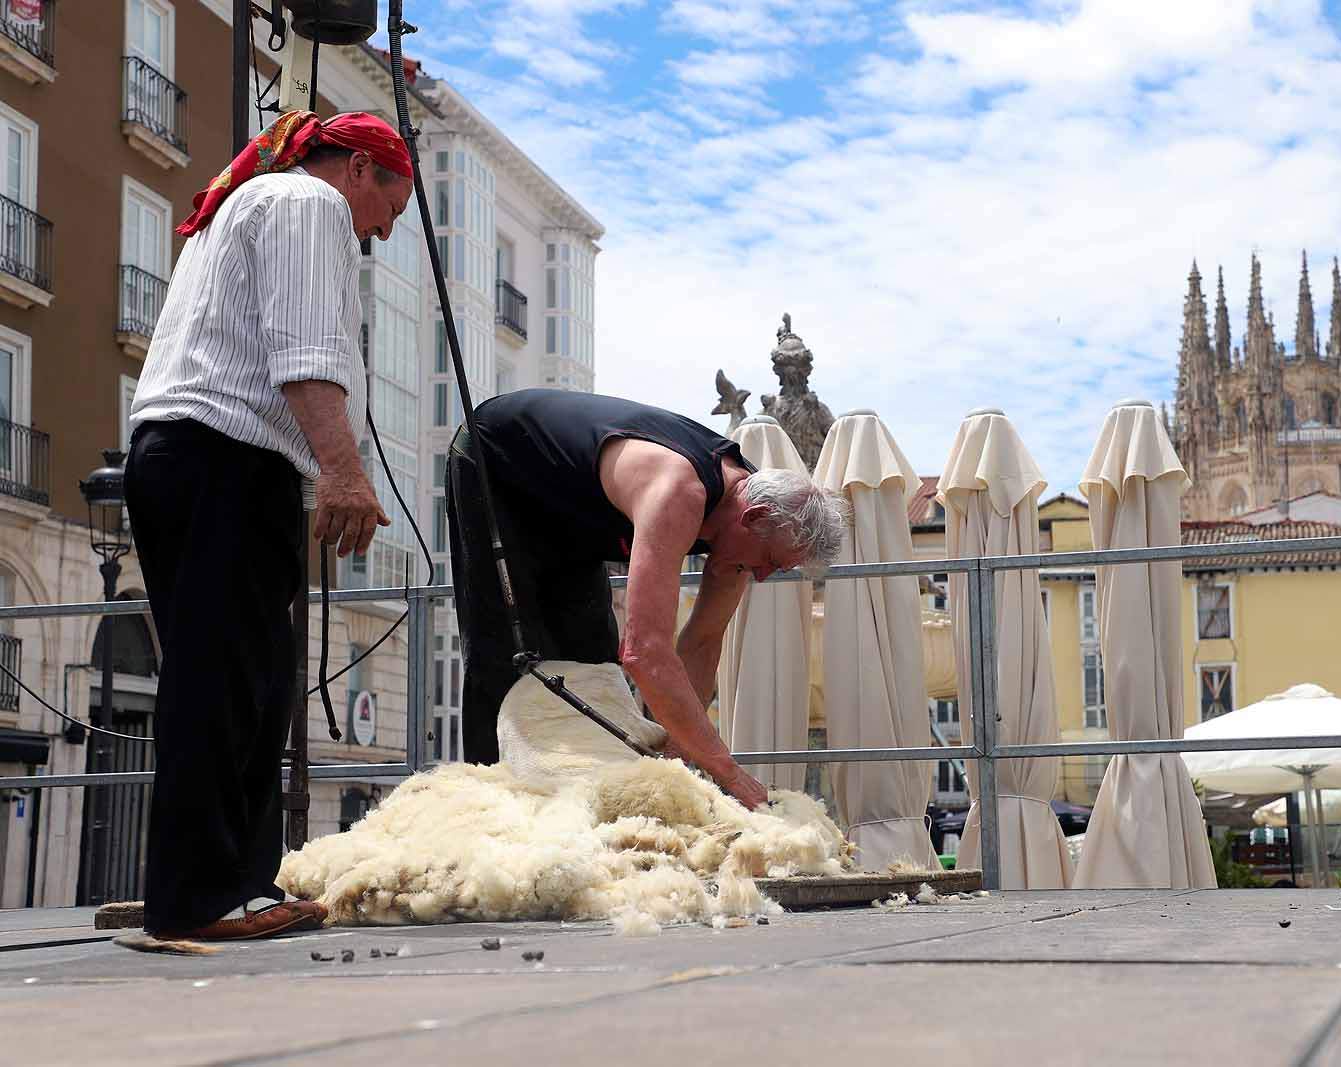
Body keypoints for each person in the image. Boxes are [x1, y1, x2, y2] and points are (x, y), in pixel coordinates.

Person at [124, 110, 411, 941]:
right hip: (225, 457)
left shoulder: (246, 207)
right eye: (387, 210)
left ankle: (239, 884)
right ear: (358, 169)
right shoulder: (302, 204)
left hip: (199, 455)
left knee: (245, 678)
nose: (382, 233)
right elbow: (302, 346)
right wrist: (344, 472)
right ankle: (200, 897)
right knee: (226, 682)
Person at [448, 389, 848, 809]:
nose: (763, 576)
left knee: (593, 662)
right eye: (769, 561)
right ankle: (490, 811)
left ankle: (587, 812)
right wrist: (727, 771)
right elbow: (646, 654)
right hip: (500, 464)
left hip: (574, 516)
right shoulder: (679, 492)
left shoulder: (744, 529)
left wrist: (674, 758)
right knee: (507, 658)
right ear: (753, 518)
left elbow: (702, 644)